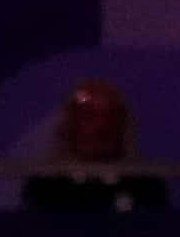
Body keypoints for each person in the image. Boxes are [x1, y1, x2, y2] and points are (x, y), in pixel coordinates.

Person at [23, 78, 168, 212]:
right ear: (69, 125)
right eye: (89, 115)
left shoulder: (146, 186)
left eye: (111, 116)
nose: (101, 126)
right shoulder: (44, 188)